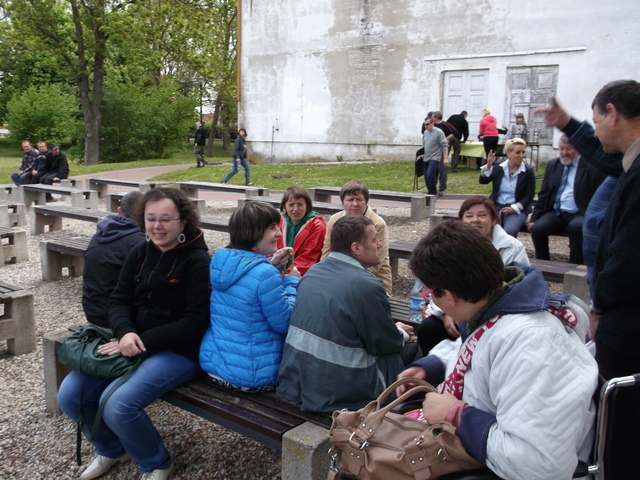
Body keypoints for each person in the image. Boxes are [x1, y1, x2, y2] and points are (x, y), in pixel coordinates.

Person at [397, 220, 597, 480]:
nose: (430, 300)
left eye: (430, 293)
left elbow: (540, 465)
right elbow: (477, 348)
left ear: (450, 295)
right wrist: (433, 365)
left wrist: (456, 416)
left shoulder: (533, 344)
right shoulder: (495, 305)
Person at [57, 187, 211, 480]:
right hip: (131, 340)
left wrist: (141, 341)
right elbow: (118, 301)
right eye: (151, 218)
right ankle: (112, 448)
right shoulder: (140, 252)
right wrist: (126, 332)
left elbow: (194, 322)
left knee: (118, 405)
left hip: (178, 350)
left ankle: (156, 464)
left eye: (165, 219)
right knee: (70, 395)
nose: (157, 226)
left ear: (183, 221)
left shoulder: (197, 261)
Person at [536, 80, 640, 480]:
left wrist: (599, 306)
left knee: (621, 425)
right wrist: (569, 123)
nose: (594, 130)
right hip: (622, 314)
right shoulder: (632, 160)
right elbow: (609, 159)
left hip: (627, 324)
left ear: (612, 113)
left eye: (595, 120)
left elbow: (628, 260)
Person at [277, 215, 404, 413]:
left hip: (297, 381)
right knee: (402, 354)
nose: (380, 244)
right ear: (356, 248)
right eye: (374, 239)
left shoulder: (313, 272)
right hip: (337, 392)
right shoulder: (366, 285)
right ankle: (401, 412)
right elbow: (385, 343)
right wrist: (400, 333)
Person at [199, 201, 300, 391]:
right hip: (251, 375)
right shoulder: (265, 275)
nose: (279, 233)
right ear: (253, 234)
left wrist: (272, 266)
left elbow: (248, 285)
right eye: (272, 228)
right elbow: (285, 322)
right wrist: (292, 283)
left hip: (215, 365)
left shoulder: (221, 261)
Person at [416, 196, 529, 355]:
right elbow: (439, 283)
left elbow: (518, 286)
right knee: (429, 329)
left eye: (482, 215)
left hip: (490, 307)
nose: (475, 220)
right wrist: (446, 314)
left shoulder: (512, 247)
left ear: (494, 220)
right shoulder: (452, 245)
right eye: (469, 216)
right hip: (460, 305)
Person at [527, 135, 605, 264]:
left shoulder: (590, 167)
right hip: (556, 212)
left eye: (568, 149)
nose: (564, 152)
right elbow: (544, 194)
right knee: (538, 229)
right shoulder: (553, 165)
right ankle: (543, 264)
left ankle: (575, 265)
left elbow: (599, 195)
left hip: (579, 212)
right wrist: (535, 218)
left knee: (577, 228)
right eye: (561, 149)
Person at [82, 191, 146, 329]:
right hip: (119, 321)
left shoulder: (100, 233)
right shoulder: (140, 243)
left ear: (118, 210)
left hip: (92, 312)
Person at [321, 180, 392, 296]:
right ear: (343, 203)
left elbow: (376, 263)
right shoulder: (335, 220)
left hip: (372, 277)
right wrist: (325, 273)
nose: (355, 204)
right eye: (350, 200)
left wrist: (342, 280)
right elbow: (327, 251)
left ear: (366, 202)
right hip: (338, 275)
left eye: (359, 199)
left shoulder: (378, 223)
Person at [479, 138, 535, 237]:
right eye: (518, 152)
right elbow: (483, 181)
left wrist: (514, 208)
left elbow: (529, 195)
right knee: (484, 227)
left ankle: (508, 247)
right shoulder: (499, 167)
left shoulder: (528, 171)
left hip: (517, 209)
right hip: (496, 206)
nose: (521, 155)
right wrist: (488, 167)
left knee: (509, 231)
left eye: (523, 152)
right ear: (508, 153)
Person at [276, 185, 326, 276]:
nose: (295, 209)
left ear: (307, 205)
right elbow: (271, 251)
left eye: (300, 204)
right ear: (284, 206)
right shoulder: (280, 224)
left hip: (303, 275)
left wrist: (284, 275)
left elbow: (308, 259)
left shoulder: (317, 226)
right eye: (291, 205)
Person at [420, 117, 449, 195]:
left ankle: (432, 193)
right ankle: (430, 191)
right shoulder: (425, 132)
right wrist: (423, 153)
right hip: (426, 157)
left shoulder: (439, 132)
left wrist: (445, 158)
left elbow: (444, 145)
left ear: (433, 123)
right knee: (426, 176)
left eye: (427, 124)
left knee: (430, 174)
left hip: (435, 157)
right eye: (425, 124)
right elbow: (425, 144)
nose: (426, 126)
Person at [432, 111, 457, 191]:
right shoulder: (432, 125)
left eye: (432, 117)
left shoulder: (445, 124)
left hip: (442, 148)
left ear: (436, 117)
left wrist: (446, 138)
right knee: (433, 168)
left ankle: (442, 187)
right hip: (433, 149)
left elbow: (455, 132)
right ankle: (433, 186)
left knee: (442, 168)